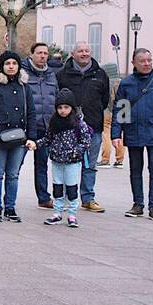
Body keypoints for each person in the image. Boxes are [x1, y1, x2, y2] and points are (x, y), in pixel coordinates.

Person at [112, 48, 153, 221]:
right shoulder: (127, 83)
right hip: (134, 132)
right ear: (134, 63)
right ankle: (138, 204)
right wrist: (116, 134)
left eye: (149, 60)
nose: (146, 64)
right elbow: (121, 110)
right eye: (142, 61)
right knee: (135, 170)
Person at [0, 51, 37, 223]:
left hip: (19, 137)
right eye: (7, 63)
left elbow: (31, 113)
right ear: (1, 66)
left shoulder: (24, 87)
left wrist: (31, 137)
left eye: (14, 63)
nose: (11, 66)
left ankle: (10, 207)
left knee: (13, 174)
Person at [54, 40, 111, 212]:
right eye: (80, 51)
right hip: (67, 127)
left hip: (93, 126)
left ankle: (88, 198)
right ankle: (63, 198)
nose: (84, 54)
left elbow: (105, 99)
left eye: (87, 50)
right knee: (65, 163)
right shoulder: (62, 74)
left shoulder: (100, 74)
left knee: (90, 165)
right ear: (73, 54)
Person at [38, 89, 92, 228]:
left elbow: (86, 142)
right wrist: (35, 144)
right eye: (60, 107)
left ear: (72, 108)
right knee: (57, 186)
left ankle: (72, 214)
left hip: (72, 162)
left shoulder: (79, 124)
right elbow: (48, 139)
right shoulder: (54, 123)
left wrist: (75, 152)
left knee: (72, 187)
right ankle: (57, 212)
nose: (63, 110)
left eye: (66, 107)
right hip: (57, 160)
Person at [23, 42, 60, 210]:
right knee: (15, 165)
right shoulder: (23, 73)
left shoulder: (51, 75)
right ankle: (7, 199)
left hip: (46, 126)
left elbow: (57, 97)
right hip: (26, 126)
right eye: (39, 53)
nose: (43, 56)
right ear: (32, 54)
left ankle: (44, 197)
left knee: (42, 163)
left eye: (45, 53)